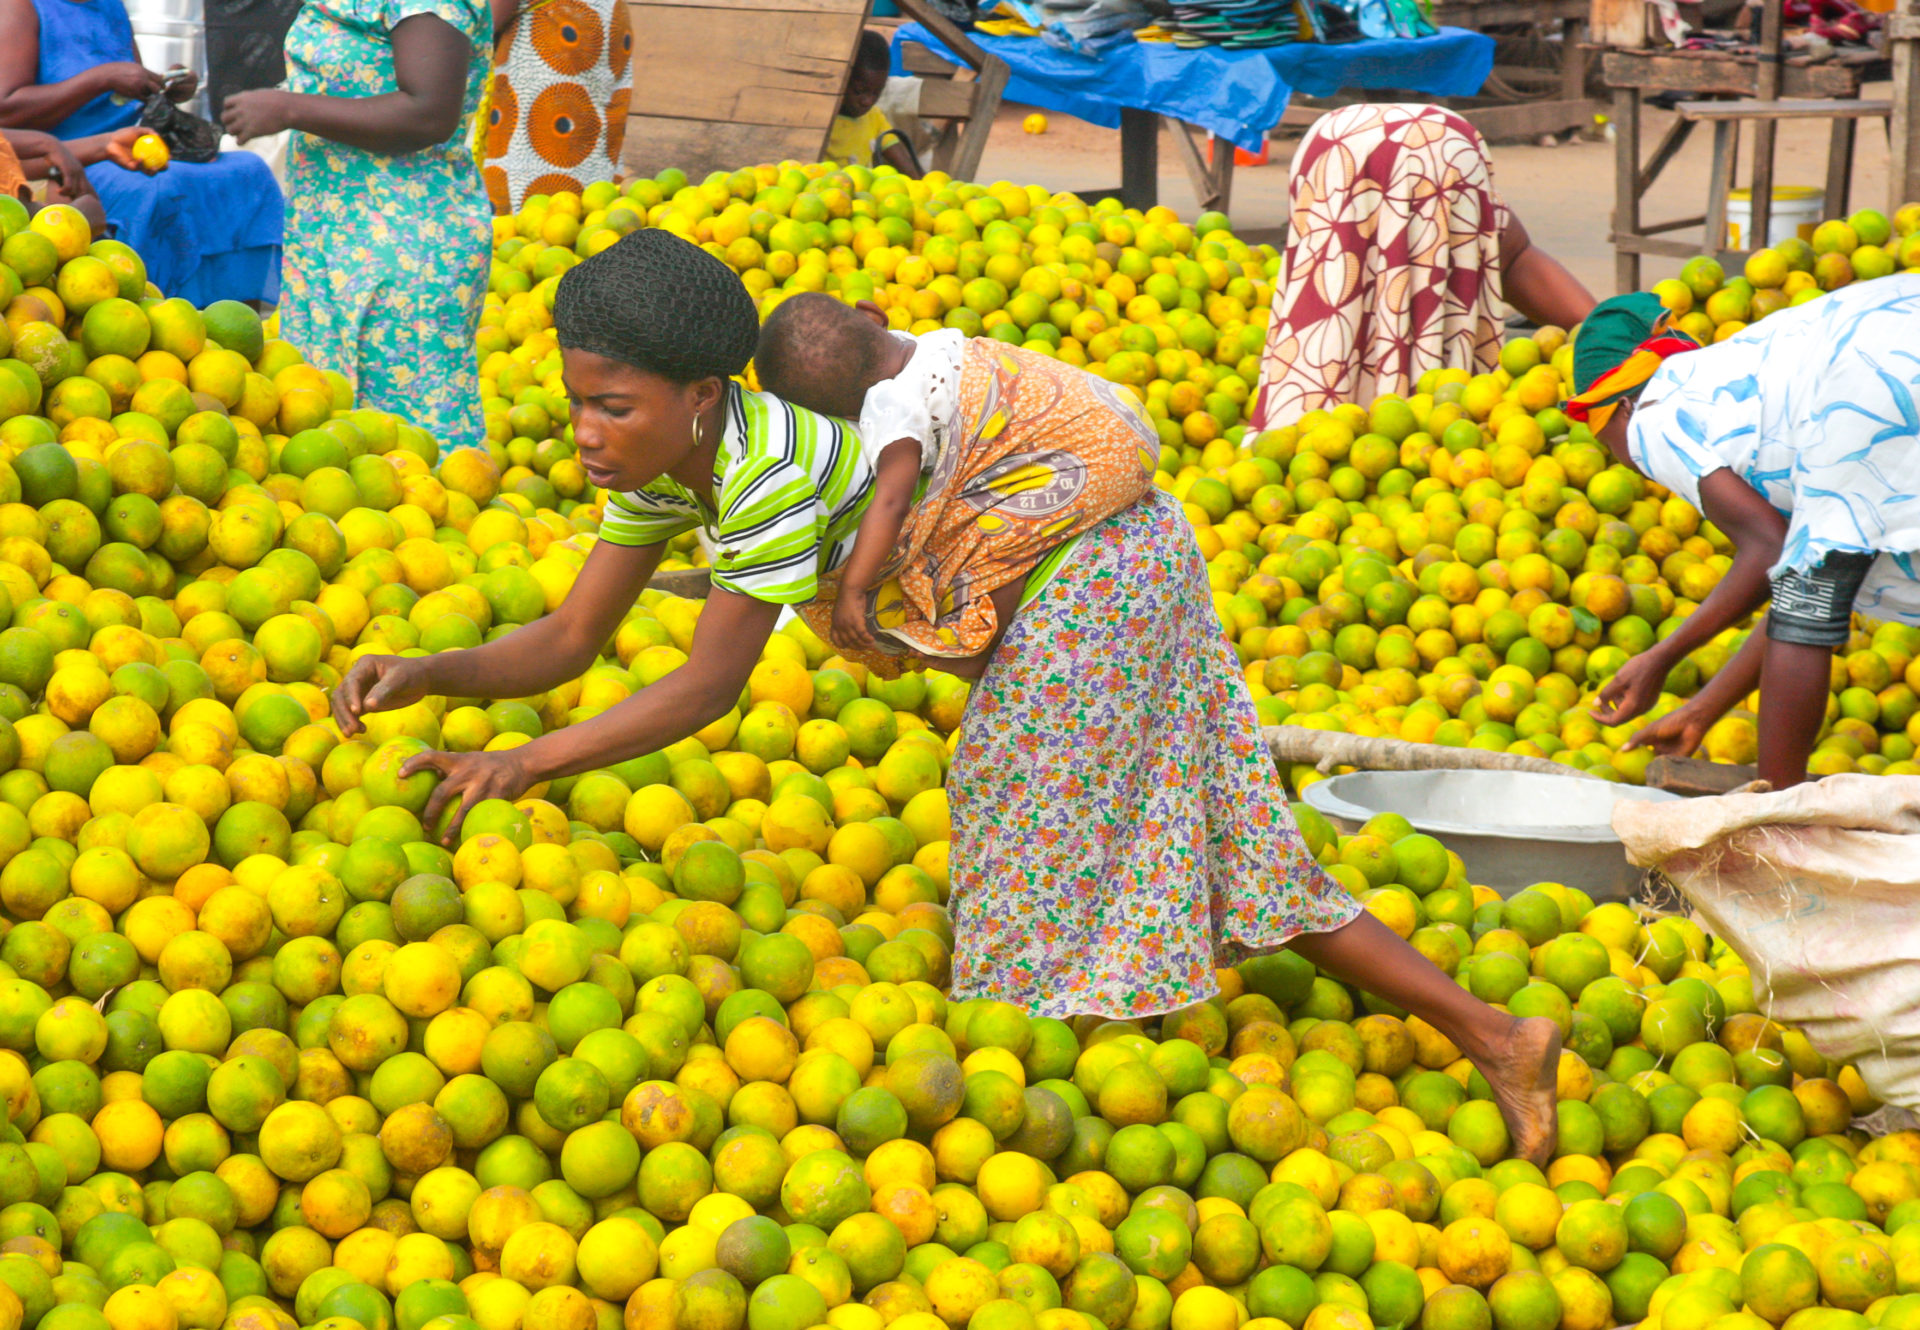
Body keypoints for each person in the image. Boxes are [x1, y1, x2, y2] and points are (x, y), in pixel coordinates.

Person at [332, 228, 1565, 1165]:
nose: (590, 434)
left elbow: (711, 688)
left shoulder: (755, 471)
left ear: (699, 397)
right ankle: (1498, 1036)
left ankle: (1069, 1139)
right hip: (1098, 570)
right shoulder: (667, 471)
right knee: (1223, 847)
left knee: (1017, 825)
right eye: (580, 404)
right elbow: (568, 634)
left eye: (614, 407)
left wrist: (528, 764)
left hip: (1097, 573)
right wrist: (431, 675)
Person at [1580, 278, 1920, 789]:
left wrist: (1660, 657)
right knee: (1814, 584)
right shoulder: (1736, 367)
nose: (1618, 456)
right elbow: (1797, 570)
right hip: (1898, 319)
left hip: (1876, 373)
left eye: (1601, 435)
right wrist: (1702, 710)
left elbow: (1772, 551)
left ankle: (1780, 820)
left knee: (1812, 597)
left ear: (1618, 408)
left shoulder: (1653, 415)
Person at [752, 292, 1155, 675]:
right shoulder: (933, 345)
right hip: (1111, 408)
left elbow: (892, 500)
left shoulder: (888, 404)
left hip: (1103, 455)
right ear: (872, 314)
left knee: (988, 542)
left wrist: (854, 589)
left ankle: (976, 644)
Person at [222, 0, 494, 452]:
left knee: (408, 459)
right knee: (328, 444)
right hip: (331, 242)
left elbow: (429, 111)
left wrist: (290, 108)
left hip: (402, 250)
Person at [1252, 102, 1595, 430]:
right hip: (1441, 152)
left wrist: (1616, 336)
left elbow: (1515, 256)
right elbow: (1515, 257)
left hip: (1418, 151)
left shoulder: (1297, 398)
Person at [0, 0, 285, 304]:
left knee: (246, 170)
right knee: (159, 188)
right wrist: (102, 77)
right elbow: (7, 110)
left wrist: (161, 85)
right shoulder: (21, 6)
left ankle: (231, 312)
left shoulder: (110, 5)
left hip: (125, 141)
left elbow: (128, 88)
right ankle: (158, 305)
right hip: (60, 156)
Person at [482, 0, 632, 213]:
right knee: (585, 169)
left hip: (549, 32)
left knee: (532, 186)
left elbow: (488, 19)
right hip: (592, 20)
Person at [827, 31, 918, 177]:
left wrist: (923, 185)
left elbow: (904, 163)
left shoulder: (874, 117)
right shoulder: (823, 119)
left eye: (876, 93)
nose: (867, 101)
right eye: (859, 91)